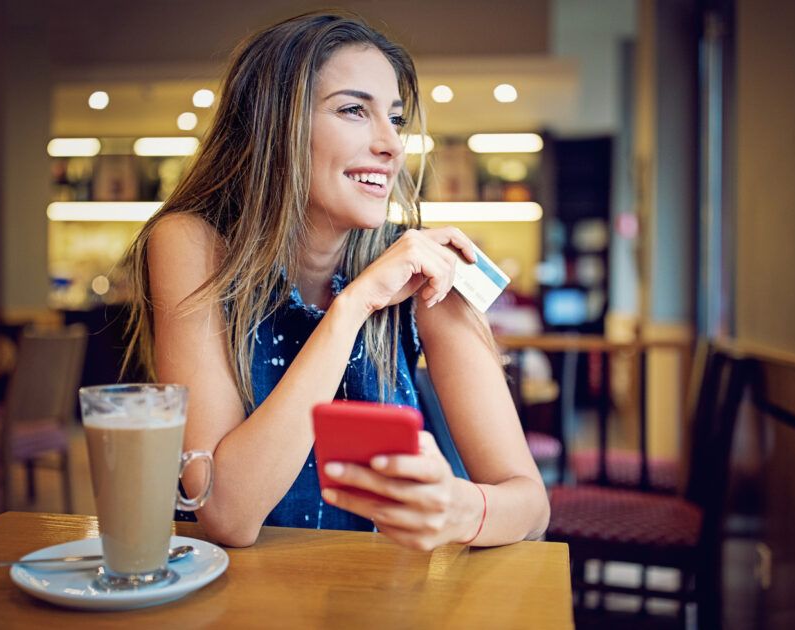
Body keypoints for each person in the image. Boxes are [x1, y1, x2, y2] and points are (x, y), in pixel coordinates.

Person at [123, 11, 549, 550]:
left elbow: (533, 505)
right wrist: (354, 305)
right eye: (353, 110)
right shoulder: (191, 242)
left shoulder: (431, 269)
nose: (392, 145)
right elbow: (225, 512)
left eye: (394, 119)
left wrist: (463, 509)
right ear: (271, 127)